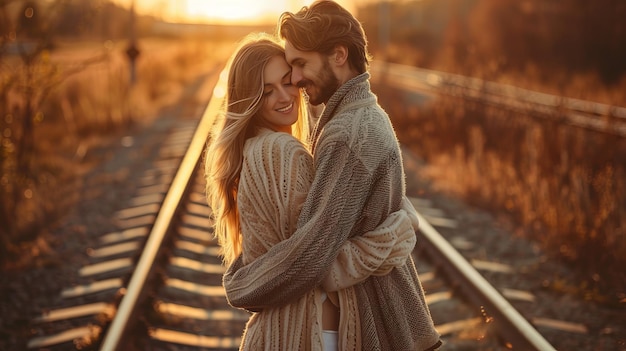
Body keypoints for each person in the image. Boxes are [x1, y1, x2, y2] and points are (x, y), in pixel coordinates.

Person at [221, 2, 442, 350]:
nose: (295, 80)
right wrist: (397, 232)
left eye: (299, 65)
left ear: (338, 55)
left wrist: (403, 222)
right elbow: (312, 253)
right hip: (315, 327)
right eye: (268, 90)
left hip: (325, 326)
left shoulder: (347, 132)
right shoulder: (353, 123)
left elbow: (313, 251)